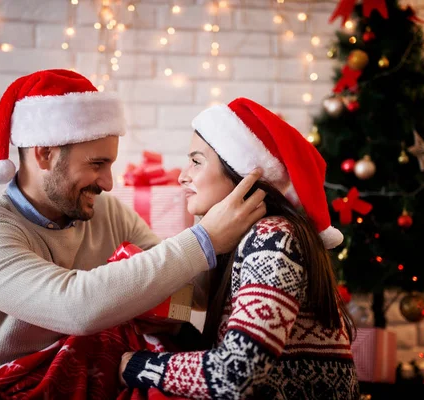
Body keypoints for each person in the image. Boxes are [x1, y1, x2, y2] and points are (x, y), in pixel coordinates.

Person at [0, 69, 266, 382]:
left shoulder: (106, 212)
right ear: (44, 155)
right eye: (96, 164)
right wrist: (204, 239)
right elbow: (75, 308)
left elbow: (188, 294)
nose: (109, 184)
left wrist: (220, 211)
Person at [119, 98, 360, 399]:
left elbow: (234, 375)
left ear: (242, 174)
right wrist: (175, 332)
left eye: (196, 161)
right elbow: (237, 352)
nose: (182, 176)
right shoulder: (246, 240)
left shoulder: (273, 238)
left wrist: (134, 366)